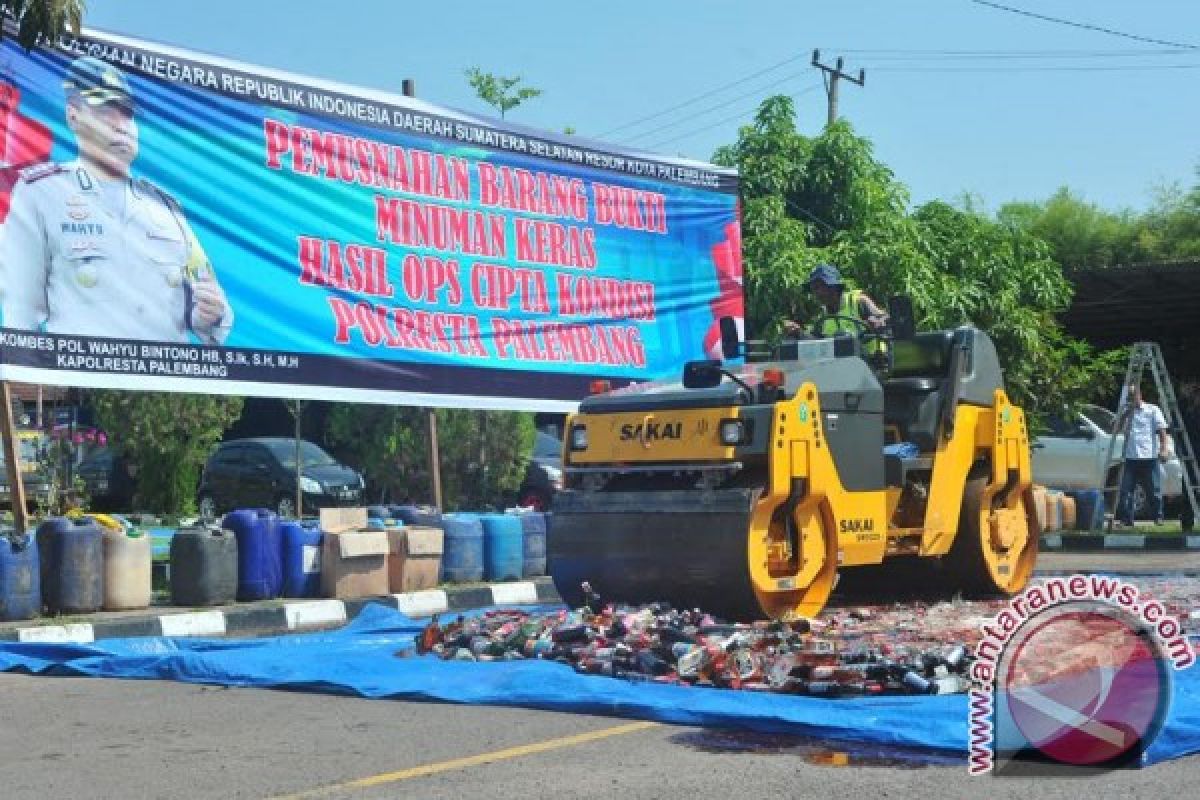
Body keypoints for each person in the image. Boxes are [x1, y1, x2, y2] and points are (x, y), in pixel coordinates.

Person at [0, 56, 232, 344]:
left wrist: (211, 314)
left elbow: (210, 306)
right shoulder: (40, 193)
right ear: (73, 116)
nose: (121, 124)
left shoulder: (167, 208)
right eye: (106, 110)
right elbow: (20, 313)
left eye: (127, 114)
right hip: (82, 382)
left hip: (166, 383)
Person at [782, 263, 888, 345]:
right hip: (842, 368)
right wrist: (799, 333)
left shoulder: (858, 301)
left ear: (834, 287)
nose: (817, 293)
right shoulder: (823, 317)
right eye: (814, 288)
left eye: (821, 286)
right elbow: (816, 343)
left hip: (873, 364)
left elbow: (886, 319)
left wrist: (879, 322)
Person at [1115, 383, 1170, 527]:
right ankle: (1127, 519)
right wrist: (1126, 413)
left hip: (1149, 457)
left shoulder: (1152, 410)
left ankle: (1158, 517)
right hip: (1130, 457)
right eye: (1129, 397)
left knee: (1154, 490)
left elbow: (1162, 431)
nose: (1132, 399)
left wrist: (1164, 449)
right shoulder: (1125, 411)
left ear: (1139, 395)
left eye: (1133, 395)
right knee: (1126, 491)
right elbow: (1115, 429)